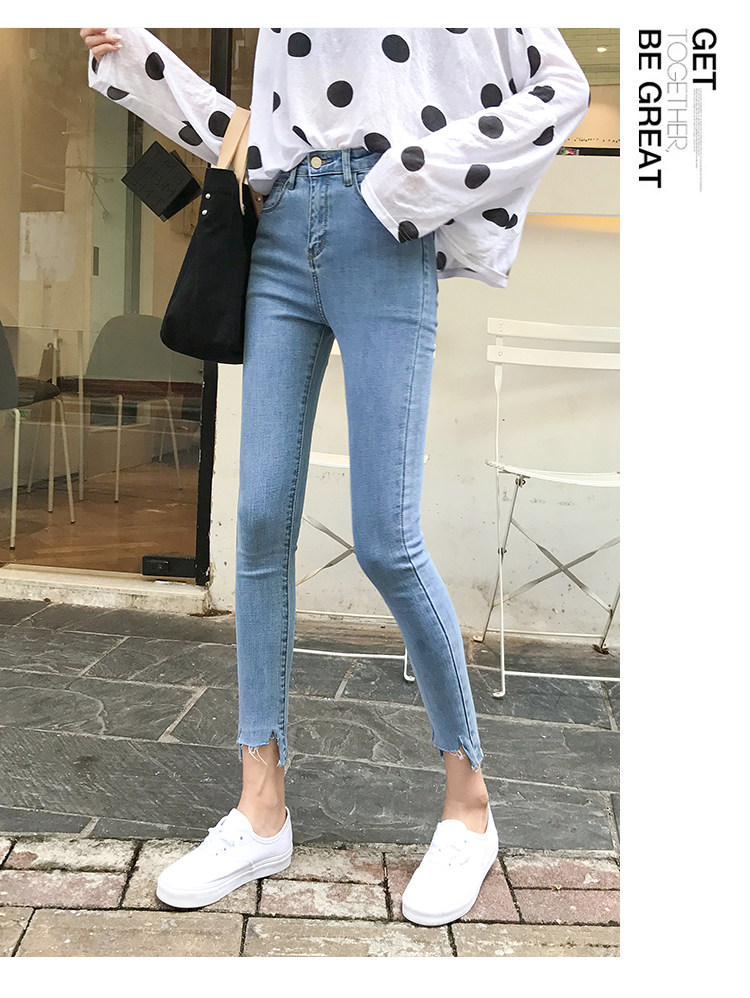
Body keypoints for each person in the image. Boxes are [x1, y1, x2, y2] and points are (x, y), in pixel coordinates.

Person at [80, 26, 590, 926]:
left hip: (384, 232)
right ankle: (261, 807)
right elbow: (263, 128)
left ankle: (470, 808)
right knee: (259, 522)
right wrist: (136, 60)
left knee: (387, 539)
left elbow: (561, 90)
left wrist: (415, 174)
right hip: (281, 226)